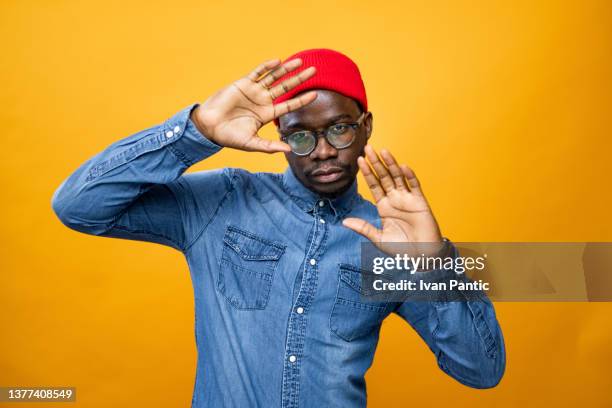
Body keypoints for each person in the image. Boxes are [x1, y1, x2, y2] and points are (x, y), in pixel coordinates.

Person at [51, 48, 505, 407]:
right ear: (281, 137)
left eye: (340, 129)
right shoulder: (223, 201)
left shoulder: (389, 241)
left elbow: (482, 371)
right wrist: (197, 131)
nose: (323, 151)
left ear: (366, 127)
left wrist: (434, 265)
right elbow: (79, 205)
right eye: (301, 136)